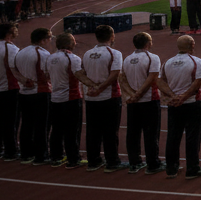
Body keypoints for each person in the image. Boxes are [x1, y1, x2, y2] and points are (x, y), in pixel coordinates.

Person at [160, 35, 201, 179]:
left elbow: (161, 81)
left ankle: (171, 167)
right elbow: (197, 83)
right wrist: (184, 96)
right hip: (192, 103)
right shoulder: (196, 61)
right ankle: (192, 168)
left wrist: (173, 96)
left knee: (173, 135)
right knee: (193, 136)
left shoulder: (168, 62)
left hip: (174, 105)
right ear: (192, 45)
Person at [82, 25, 125, 172]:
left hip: (91, 98)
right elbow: (114, 74)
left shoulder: (87, 53)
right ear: (112, 36)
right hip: (109, 97)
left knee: (92, 130)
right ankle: (112, 161)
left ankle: (93, 161)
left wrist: (91, 85)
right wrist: (100, 88)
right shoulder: (115, 53)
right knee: (110, 130)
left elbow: (80, 73)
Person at [120, 32, 162, 174]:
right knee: (151, 133)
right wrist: (138, 94)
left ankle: (134, 162)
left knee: (133, 132)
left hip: (133, 102)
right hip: (149, 100)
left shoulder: (127, 59)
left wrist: (132, 95)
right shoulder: (153, 58)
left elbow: (122, 79)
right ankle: (152, 163)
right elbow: (152, 78)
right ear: (147, 43)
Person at [46, 32, 88, 169]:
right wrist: (95, 85)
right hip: (71, 98)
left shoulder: (50, 58)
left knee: (57, 129)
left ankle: (55, 157)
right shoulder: (73, 58)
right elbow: (80, 76)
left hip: (55, 98)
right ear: (70, 44)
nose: (76, 43)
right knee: (72, 130)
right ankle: (73, 158)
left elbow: (46, 75)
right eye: (74, 41)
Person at [14, 26, 52, 165]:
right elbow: (45, 74)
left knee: (27, 123)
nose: (50, 40)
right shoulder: (42, 54)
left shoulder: (20, 52)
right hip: (39, 92)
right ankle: (41, 154)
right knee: (41, 125)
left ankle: (26, 153)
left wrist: (23, 80)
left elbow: (15, 70)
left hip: (24, 92)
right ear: (42, 40)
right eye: (49, 38)